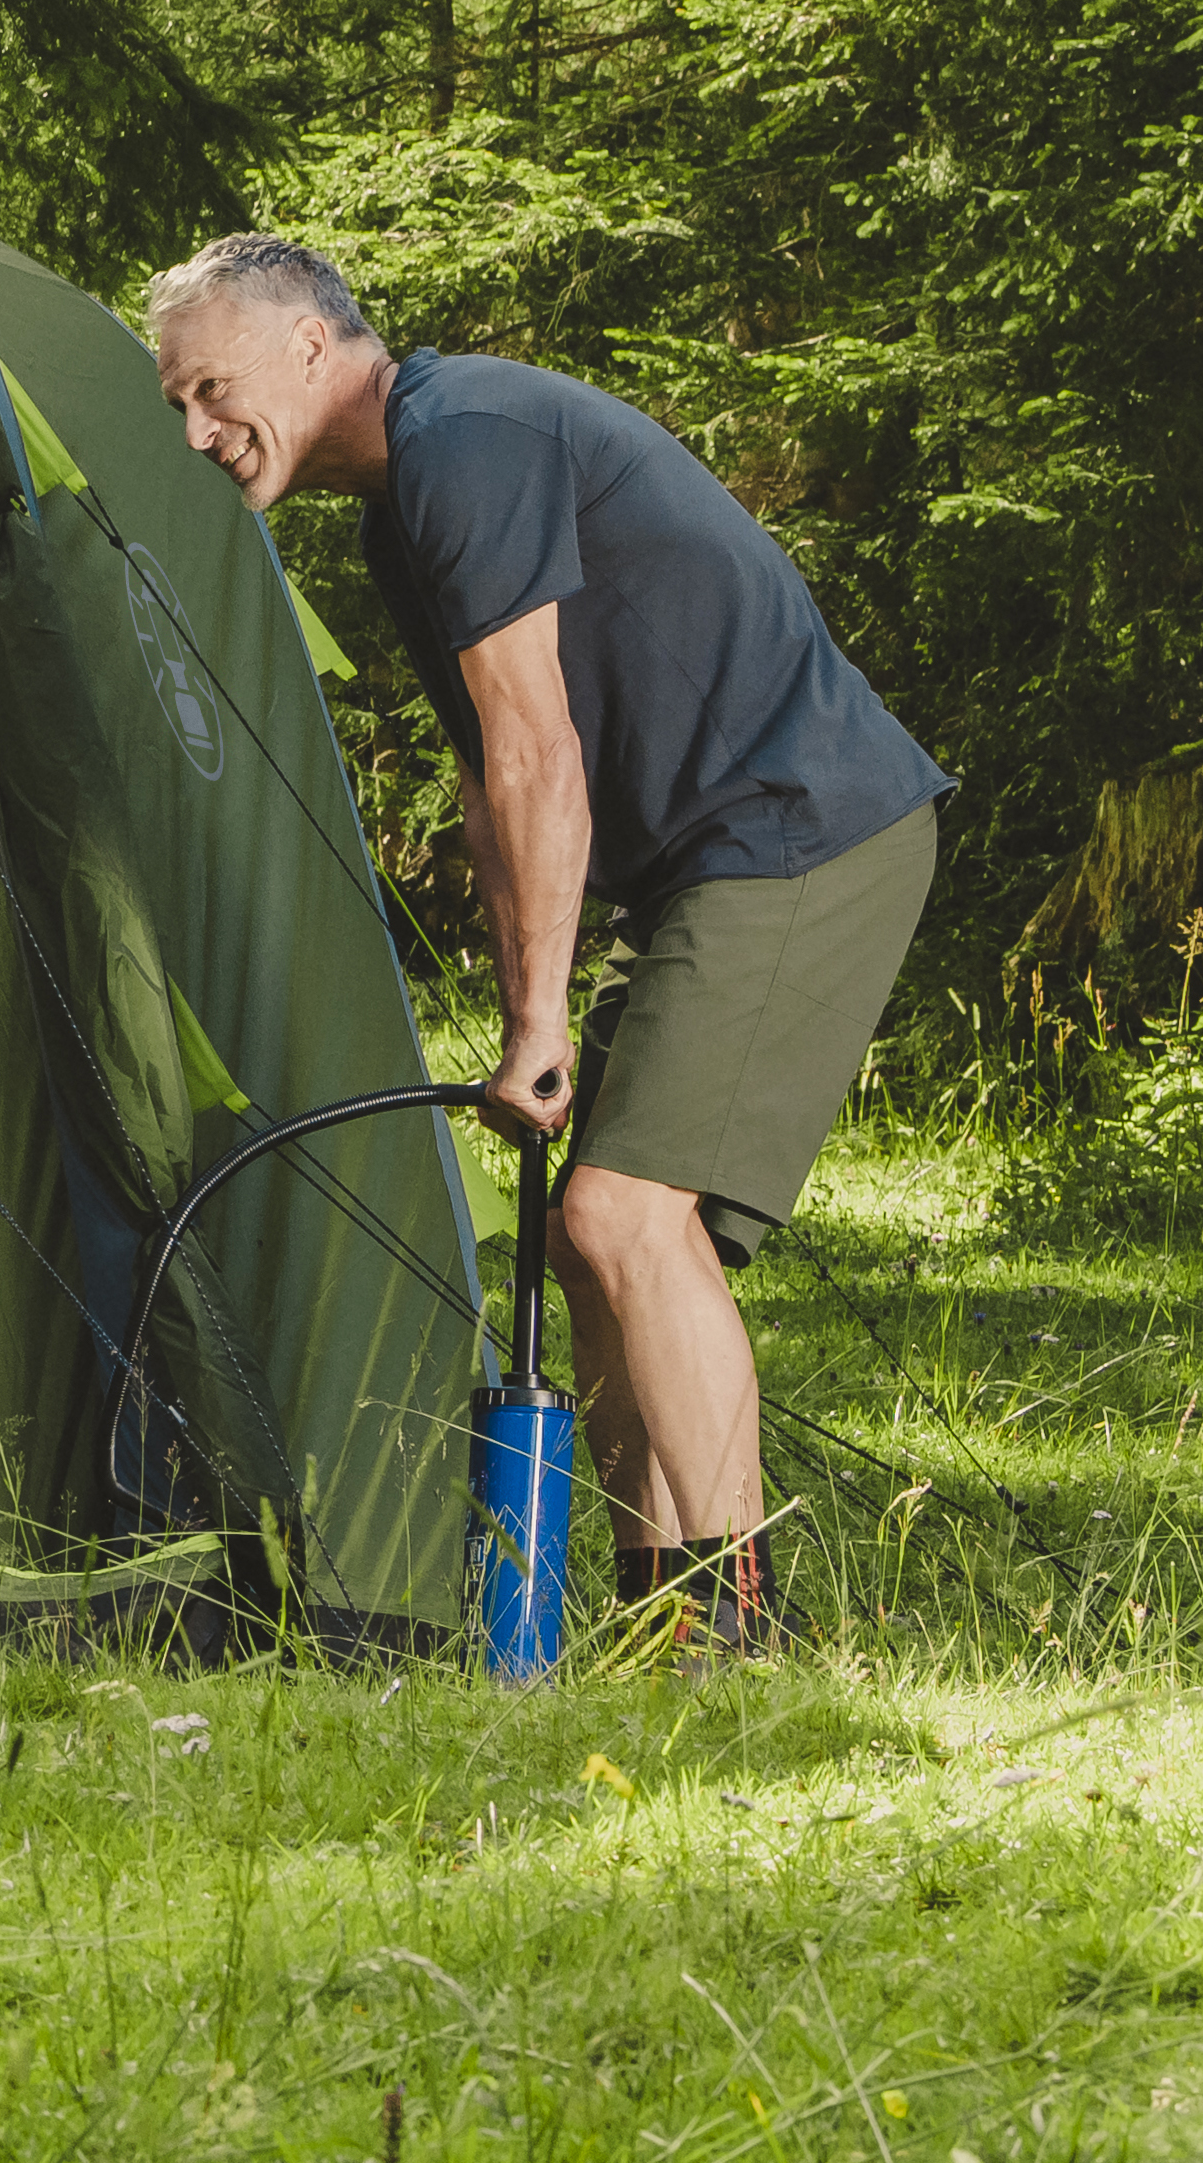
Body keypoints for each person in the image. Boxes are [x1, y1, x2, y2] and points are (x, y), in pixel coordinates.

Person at [140, 234, 943, 1651]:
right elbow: (485, 779)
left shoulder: (462, 441)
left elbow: (537, 753)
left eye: (210, 389)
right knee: (590, 1247)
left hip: (797, 829)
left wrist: (537, 1027)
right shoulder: (403, 502)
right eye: (177, 407)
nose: (197, 431)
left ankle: (738, 1630)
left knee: (623, 1215)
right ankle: (663, 1622)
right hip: (700, 864)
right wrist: (537, 1008)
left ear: (309, 344)